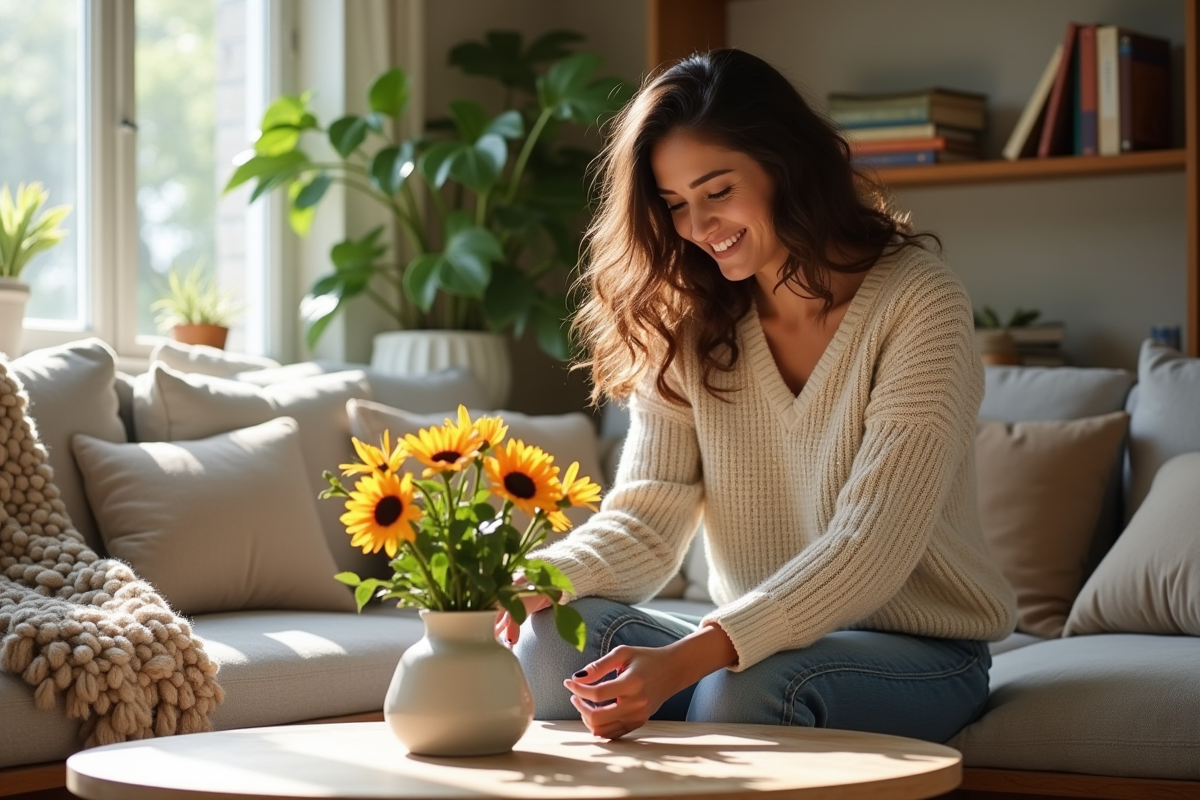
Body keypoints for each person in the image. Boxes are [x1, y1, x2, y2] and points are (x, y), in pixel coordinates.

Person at [497, 48, 1016, 744]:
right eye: (676, 205)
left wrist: (688, 659)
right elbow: (648, 524)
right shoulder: (688, 318)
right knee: (555, 640)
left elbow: (869, 547)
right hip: (755, 639)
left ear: (786, 165)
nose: (698, 227)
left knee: (747, 685)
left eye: (717, 191)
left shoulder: (919, 302)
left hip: (919, 652)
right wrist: (534, 579)